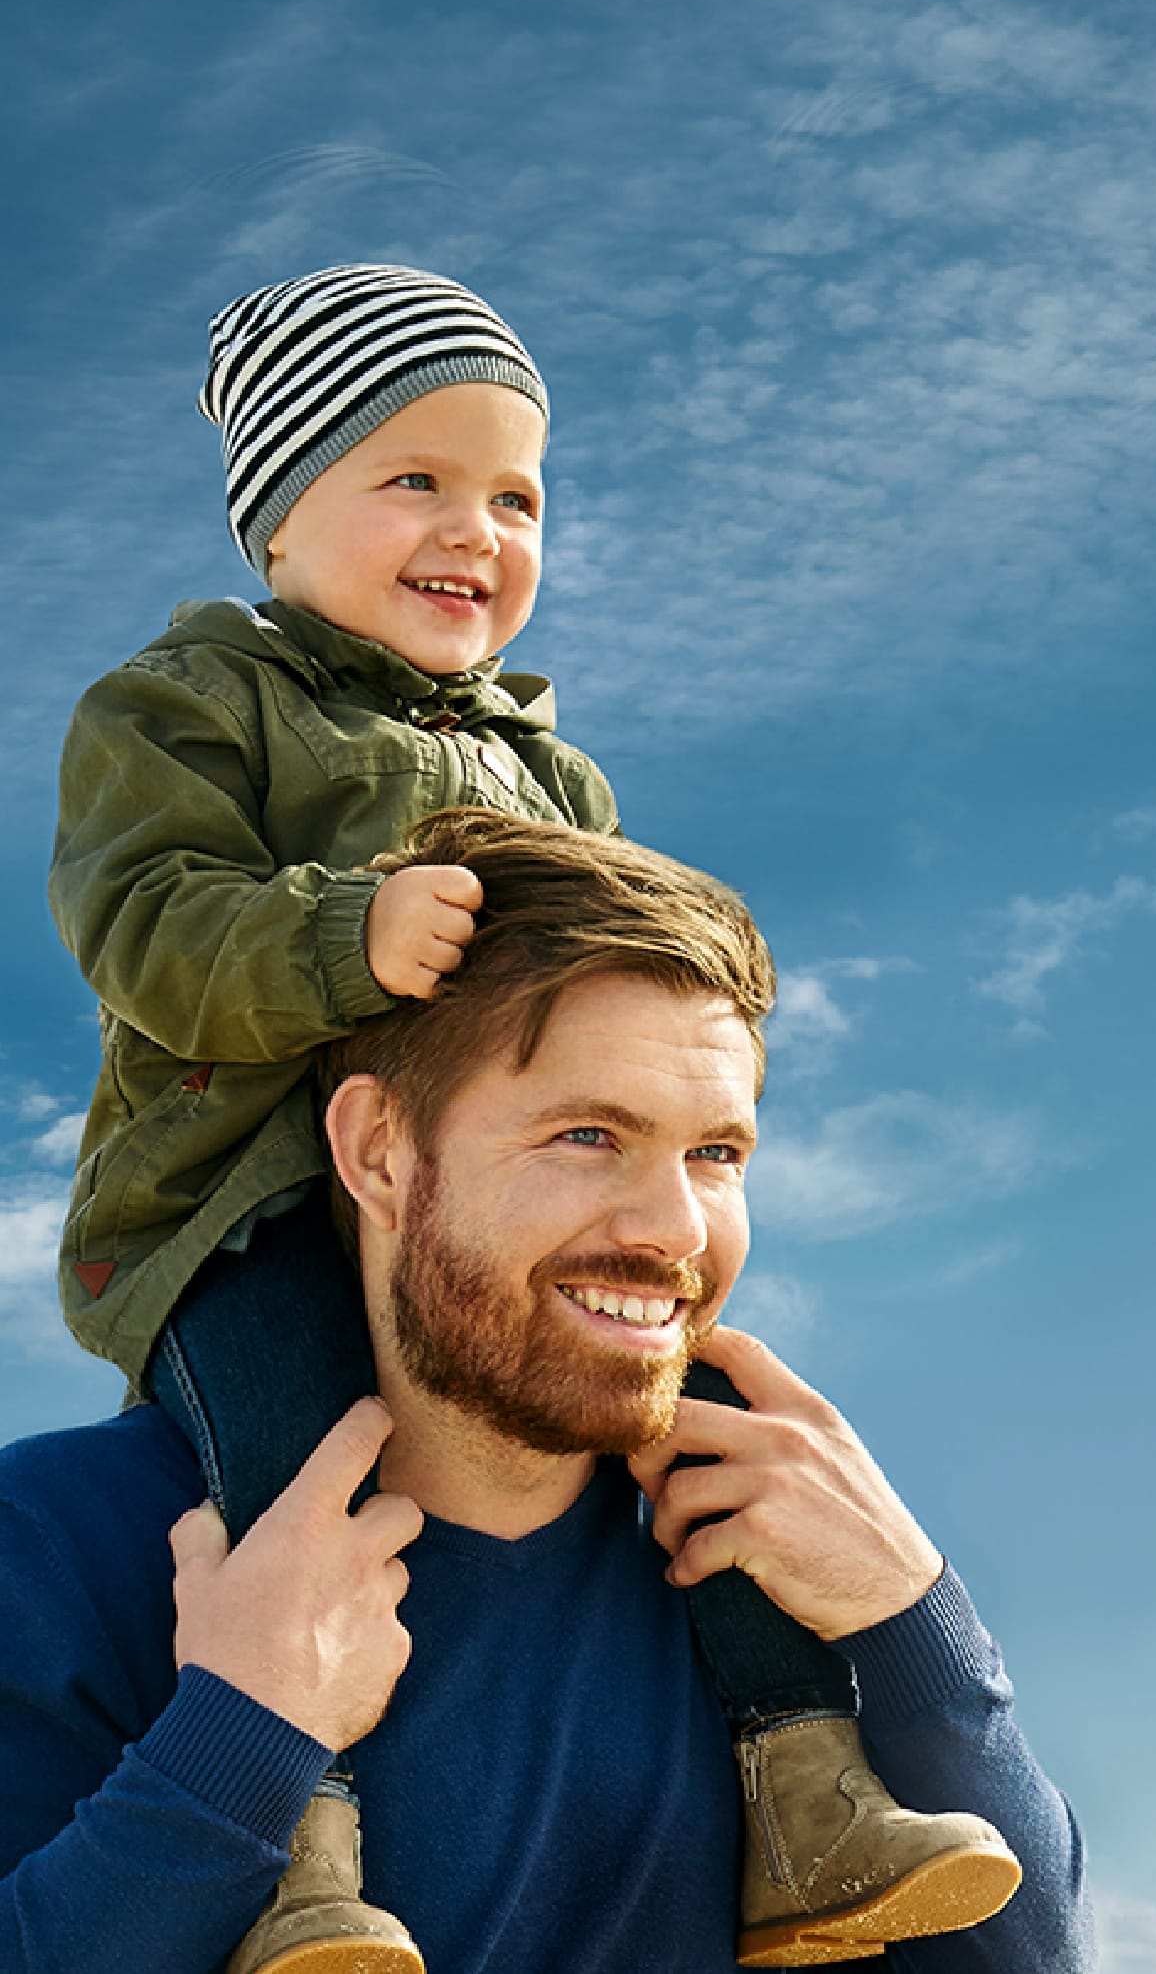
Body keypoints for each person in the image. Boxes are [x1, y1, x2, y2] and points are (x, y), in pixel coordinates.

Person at [45, 265, 1018, 1967]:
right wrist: (343, 931)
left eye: (514, 494)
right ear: (277, 526)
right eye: (409, 478)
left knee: (708, 1423)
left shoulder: (552, 779)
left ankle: (805, 1789)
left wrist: (917, 1640)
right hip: (237, 1220)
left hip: (418, 1249)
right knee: (300, 1467)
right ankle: (311, 1860)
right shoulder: (191, 706)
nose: (474, 527)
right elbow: (144, 926)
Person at [1, 808, 1094, 1973]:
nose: (673, 1228)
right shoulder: (62, 1549)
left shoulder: (774, 1583)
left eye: (716, 1155)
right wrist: (234, 1743)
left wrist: (913, 1618)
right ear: (378, 1151)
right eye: (586, 1135)